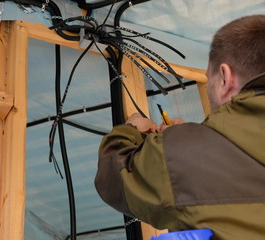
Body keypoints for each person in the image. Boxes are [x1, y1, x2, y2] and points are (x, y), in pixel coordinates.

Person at [95, 15, 265, 240]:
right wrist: (196, 138)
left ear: (225, 78)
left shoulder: (186, 152)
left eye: (209, 80)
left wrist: (131, 130)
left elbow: (114, 177)